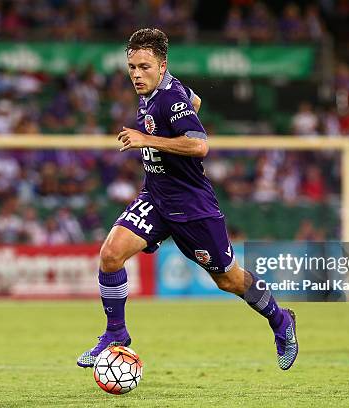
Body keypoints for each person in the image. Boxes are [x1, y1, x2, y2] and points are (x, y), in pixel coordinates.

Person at [77, 28, 298, 370]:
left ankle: (281, 320)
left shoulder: (169, 99)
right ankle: (116, 334)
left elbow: (199, 144)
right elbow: (197, 101)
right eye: (132, 66)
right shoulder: (159, 90)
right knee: (110, 255)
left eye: (144, 67)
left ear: (162, 66)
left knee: (228, 279)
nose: (136, 74)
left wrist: (146, 139)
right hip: (156, 197)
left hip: (192, 206)